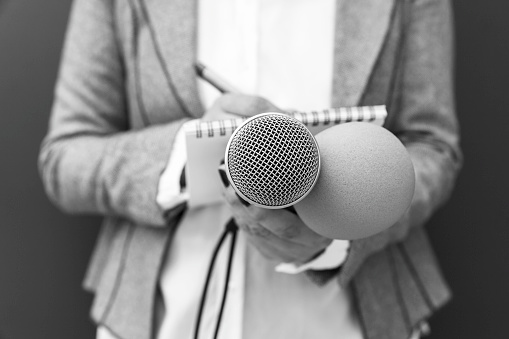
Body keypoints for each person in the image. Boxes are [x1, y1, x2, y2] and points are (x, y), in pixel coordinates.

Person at [38, 0, 462, 338]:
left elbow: (433, 147)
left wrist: (336, 240)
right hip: (160, 317)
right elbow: (64, 158)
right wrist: (192, 153)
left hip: (351, 317)